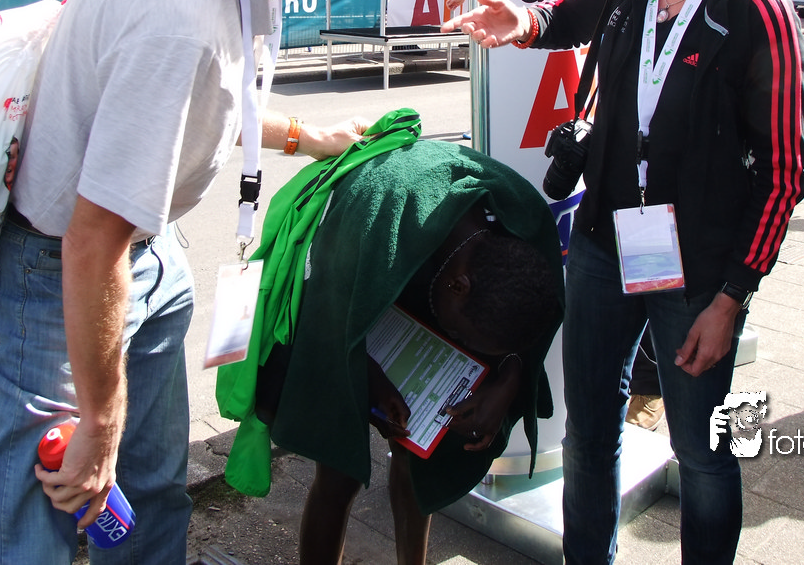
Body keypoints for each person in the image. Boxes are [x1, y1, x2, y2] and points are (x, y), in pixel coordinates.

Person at [0, 0, 402, 564]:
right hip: (64, 273)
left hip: (144, 254)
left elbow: (211, 102)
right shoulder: (184, 18)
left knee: (152, 492)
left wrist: (306, 136)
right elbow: (93, 238)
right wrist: (100, 421)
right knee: (31, 531)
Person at [444, 0, 804, 565]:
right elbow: (569, 16)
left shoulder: (757, 9)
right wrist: (522, 20)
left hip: (699, 272)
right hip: (606, 245)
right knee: (588, 435)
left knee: (702, 452)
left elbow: (783, 177)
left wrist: (730, 297)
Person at [216, 129, 564, 565]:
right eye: (463, 339)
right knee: (337, 470)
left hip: (426, 278)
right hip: (353, 276)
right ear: (457, 286)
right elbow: (325, 328)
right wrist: (371, 380)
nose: (459, 348)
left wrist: (508, 377)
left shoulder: (519, 234)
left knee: (419, 448)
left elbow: (524, 331)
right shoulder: (372, 222)